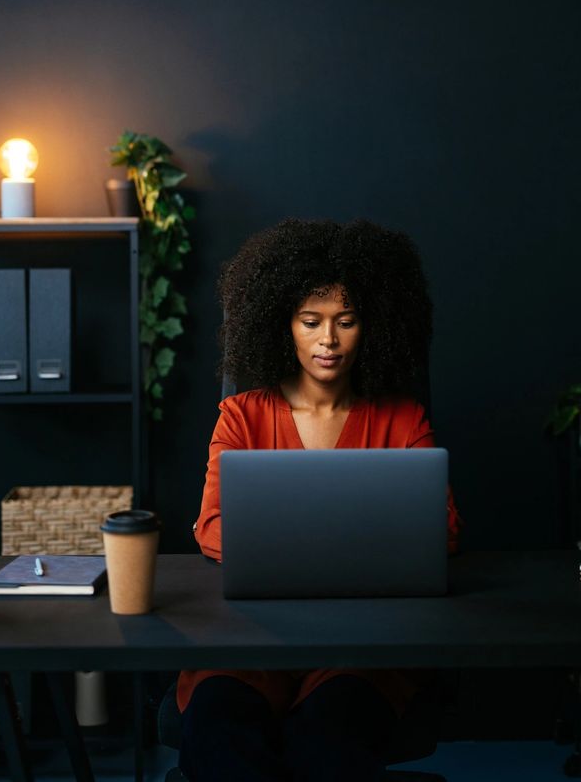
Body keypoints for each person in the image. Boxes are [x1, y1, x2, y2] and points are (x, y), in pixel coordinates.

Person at [177, 218, 460, 782]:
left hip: (363, 646)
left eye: (346, 321)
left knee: (329, 747)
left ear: (370, 327)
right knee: (220, 743)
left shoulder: (402, 418)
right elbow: (211, 527)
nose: (328, 340)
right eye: (311, 321)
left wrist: (287, 544)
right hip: (248, 641)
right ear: (284, 325)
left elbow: (444, 531)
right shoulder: (242, 415)